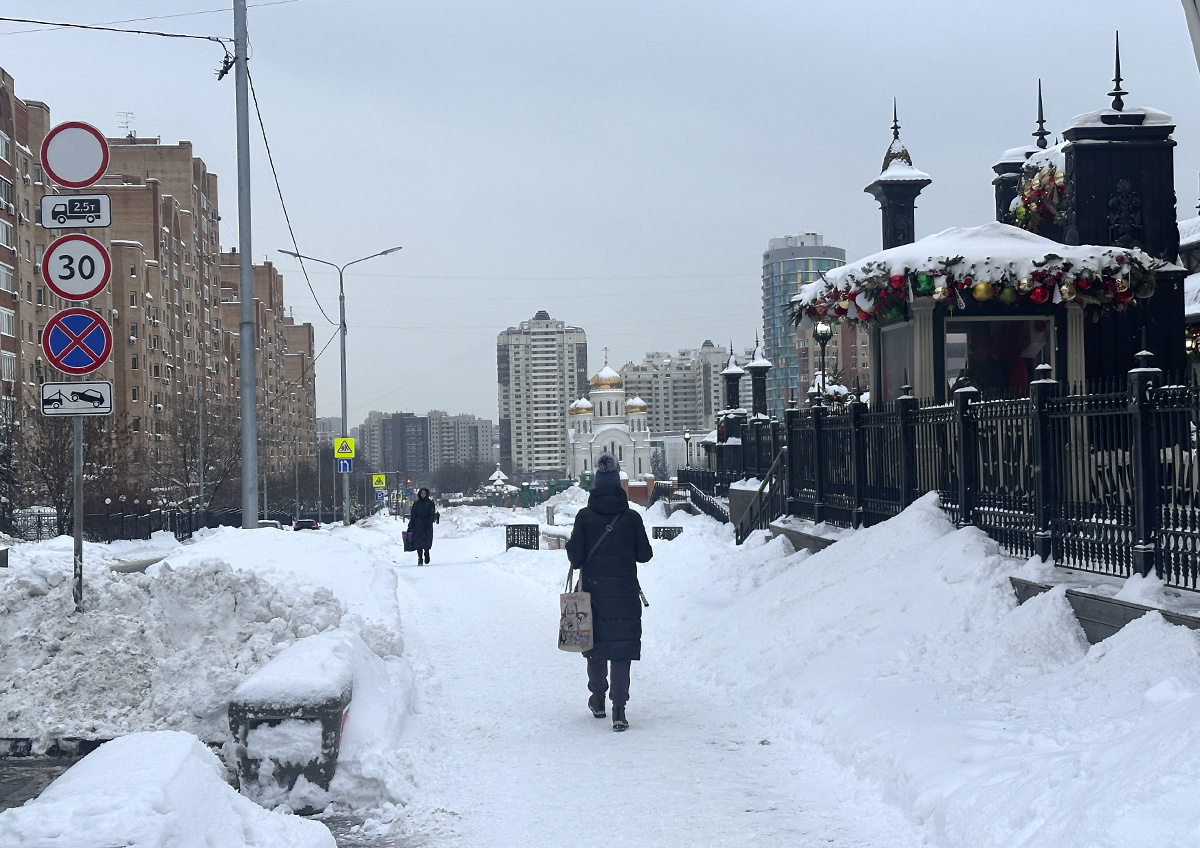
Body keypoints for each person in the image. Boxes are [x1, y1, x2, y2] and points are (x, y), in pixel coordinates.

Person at [565, 453, 653, 732]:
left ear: (596, 485)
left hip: (594, 595)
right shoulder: (631, 518)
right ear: (618, 485)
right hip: (625, 595)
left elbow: (576, 559)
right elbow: (645, 555)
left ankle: (598, 699)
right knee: (621, 650)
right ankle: (619, 708)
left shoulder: (585, 517)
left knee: (595, 648)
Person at [408, 487, 437, 565]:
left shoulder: (430, 503)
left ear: (427, 494)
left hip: (427, 525)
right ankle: (420, 558)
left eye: (424, 493)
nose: (423, 495)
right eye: (422, 493)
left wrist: (429, 522)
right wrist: (410, 526)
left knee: (427, 541)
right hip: (417, 525)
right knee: (418, 542)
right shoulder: (416, 504)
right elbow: (413, 515)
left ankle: (426, 553)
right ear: (419, 494)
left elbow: (432, 514)